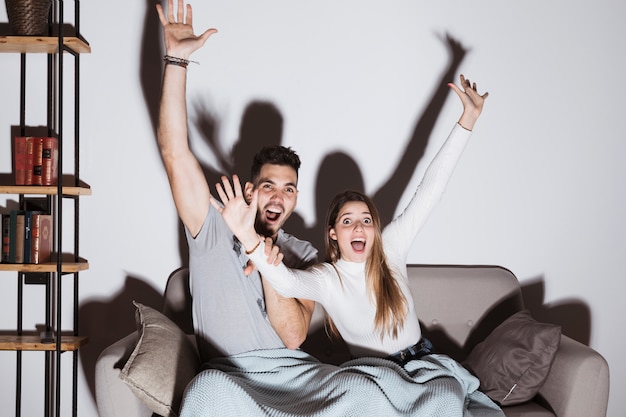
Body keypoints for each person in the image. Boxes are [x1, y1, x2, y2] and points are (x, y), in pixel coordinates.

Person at [213, 74, 488, 362]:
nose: (359, 226)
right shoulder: (328, 278)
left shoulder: (391, 248)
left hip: (423, 364)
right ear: (333, 233)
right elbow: (287, 283)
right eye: (347, 221)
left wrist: (468, 119)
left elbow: (430, 189)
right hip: (374, 374)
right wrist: (248, 237)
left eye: (366, 220)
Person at [155, 0, 318, 362]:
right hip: (228, 379)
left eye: (288, 189)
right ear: (249, 191)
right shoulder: (209, 223)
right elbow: (174, 152)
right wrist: (177, 61)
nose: (279, 197)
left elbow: (294, 336)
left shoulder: (305, 255)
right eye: (268, 186)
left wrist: (262, 256)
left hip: (293, 377)